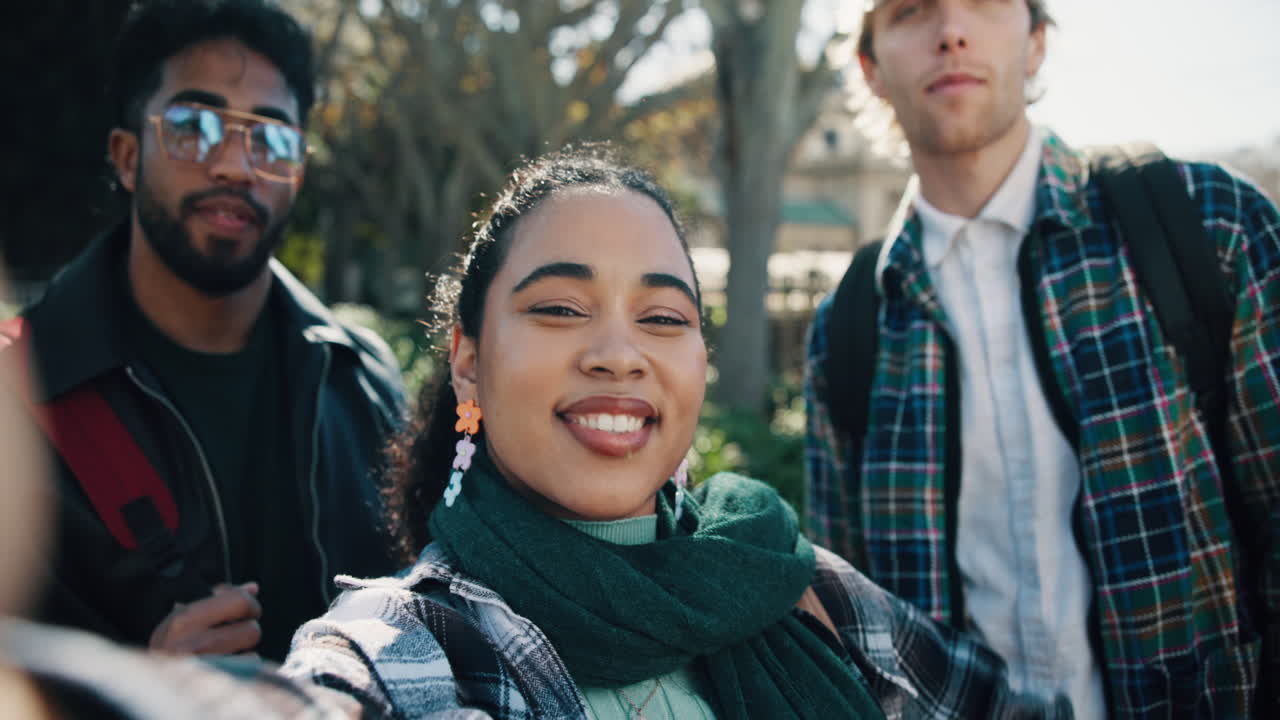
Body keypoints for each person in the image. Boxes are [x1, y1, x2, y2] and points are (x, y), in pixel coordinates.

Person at [280, 146, 1069, 719]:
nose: (620, 356)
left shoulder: (789, 582)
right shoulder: (410, 649)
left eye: (662, 319)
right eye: (560, 308)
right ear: (467, 361)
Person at [803, 1, 1280, 717]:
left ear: (1035, 42)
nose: (951, 31)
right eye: (911, 10)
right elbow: (850, 630)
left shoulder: (1209, 225)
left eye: (985, 3)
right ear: (870, 67)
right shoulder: (849, 327)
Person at [12, 0, 405, 662]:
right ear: (128, 156)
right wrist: (138, 691)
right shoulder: (20, 395)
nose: (233, 165)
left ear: (297, 171)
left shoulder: (363, 381)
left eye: (270, 138)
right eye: (195, 126)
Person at [2, 269, 360, 719]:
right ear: (129, 189)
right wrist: (148, 696)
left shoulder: (361, 374)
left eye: (277, 186)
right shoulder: (17, 387)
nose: (241, 191)